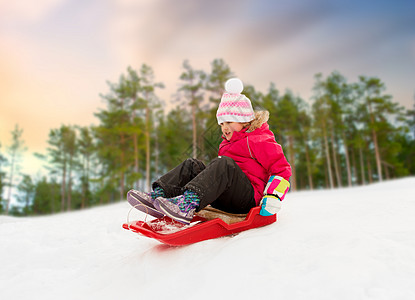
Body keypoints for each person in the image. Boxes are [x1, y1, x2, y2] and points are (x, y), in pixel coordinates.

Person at [128, 78, 291, 224]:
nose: (224, 128)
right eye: (221, 123)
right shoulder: (226, 142)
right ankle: (160, 196)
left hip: (247, 200)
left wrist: (272, 196)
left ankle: (187, 205)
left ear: (244, 120)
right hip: (226, 197)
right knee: (192, 165)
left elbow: (282, 169)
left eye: (229, 122)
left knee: (224, 163)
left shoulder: (259, 139)